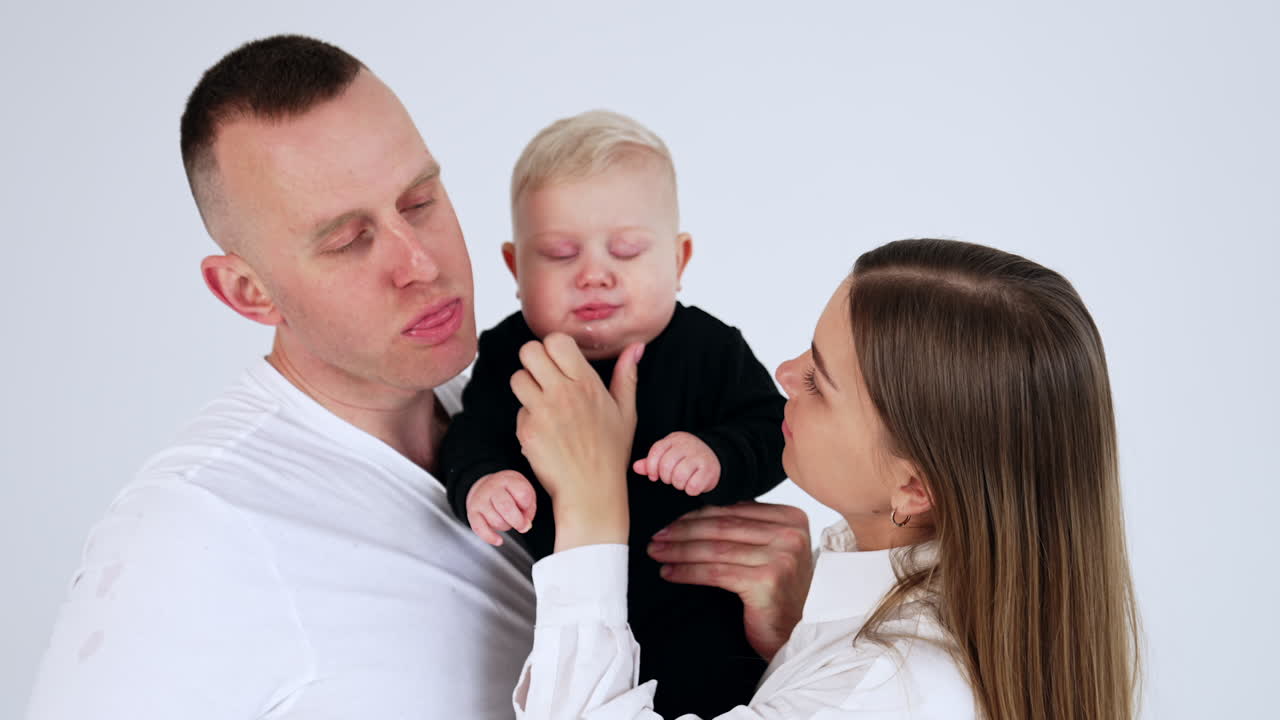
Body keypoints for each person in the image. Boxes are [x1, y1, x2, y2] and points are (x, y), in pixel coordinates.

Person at [24, 35, 813, 719]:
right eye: (347, 240)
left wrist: (790, 637)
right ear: (248, 290)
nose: (422, 263)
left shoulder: (512, 395)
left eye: (421, 200)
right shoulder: (192, 534)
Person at [508, 238, 1142, 719]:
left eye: (820, 381)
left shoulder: (886, 692)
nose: (785, 371)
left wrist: (591, 507)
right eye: (807, 351)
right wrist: (798, 646)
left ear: (915, 488)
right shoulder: (901, 655)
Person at [440, 110, 787, 715]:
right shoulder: (507, 354)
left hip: (701, 606)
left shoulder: (710, 349)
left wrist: (718, 454)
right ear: (514, 268)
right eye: (559, 253)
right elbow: (470, 439)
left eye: (626, 251)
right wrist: (483, 482)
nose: (595, 275)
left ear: (678, 260)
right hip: (564, 612)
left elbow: (773, 431)